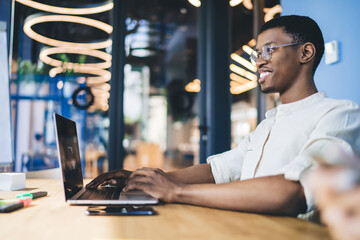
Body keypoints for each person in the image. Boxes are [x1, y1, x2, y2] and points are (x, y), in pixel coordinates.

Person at [87, 15, 360, 217]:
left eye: (269, 50)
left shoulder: (341, 114)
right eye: (257, 54)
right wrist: (147, 178)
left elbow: (295, 192)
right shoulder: (269, 124)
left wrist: (175, 192)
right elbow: (218, 171)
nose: (259, 61)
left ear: (306, 52)